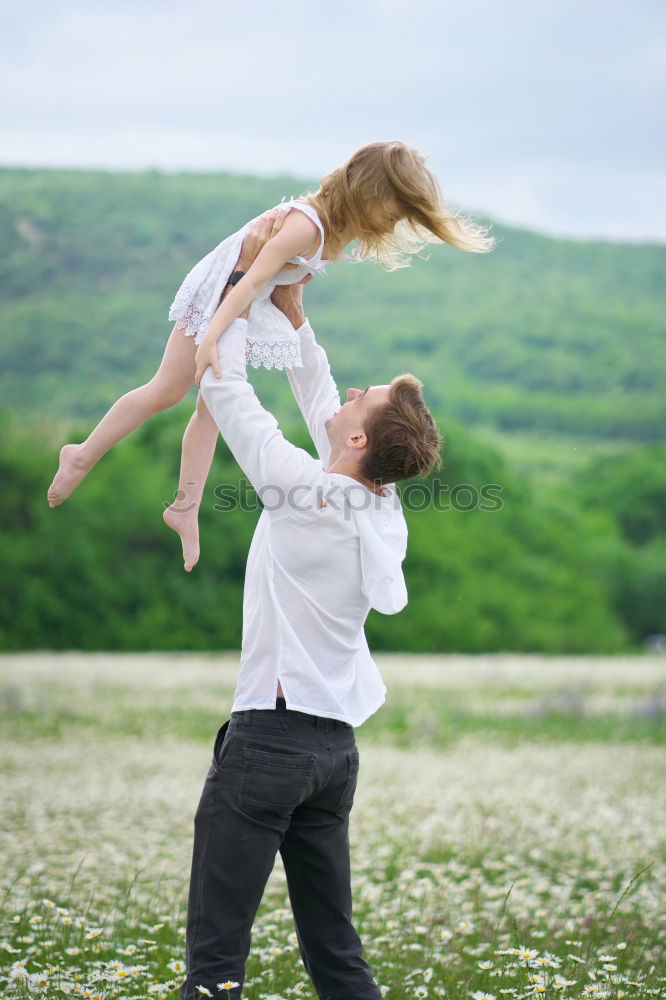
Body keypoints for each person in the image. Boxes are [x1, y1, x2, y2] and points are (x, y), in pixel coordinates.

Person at [178, 211, 442, 1000]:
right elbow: (324, 394)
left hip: (270, 744)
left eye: (368, 400)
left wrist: (231, 294)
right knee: (336, 956)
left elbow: (225, 391)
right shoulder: (379, 504)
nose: (353, 391)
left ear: (362, 444)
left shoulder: (304, 490)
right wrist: (295, 322)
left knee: (216, 959)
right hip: (333, 756)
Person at [46, 140, 494, 572]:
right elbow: (251, 277)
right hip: (226, 290)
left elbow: (282, 285)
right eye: (392, 213)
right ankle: (81, 454)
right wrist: (213, 333)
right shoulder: (307, 226)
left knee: (213, 410)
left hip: (251, 300)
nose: (392, 225)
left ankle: (185, 507)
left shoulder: (336, 236)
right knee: (167, 390)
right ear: (368, 193)